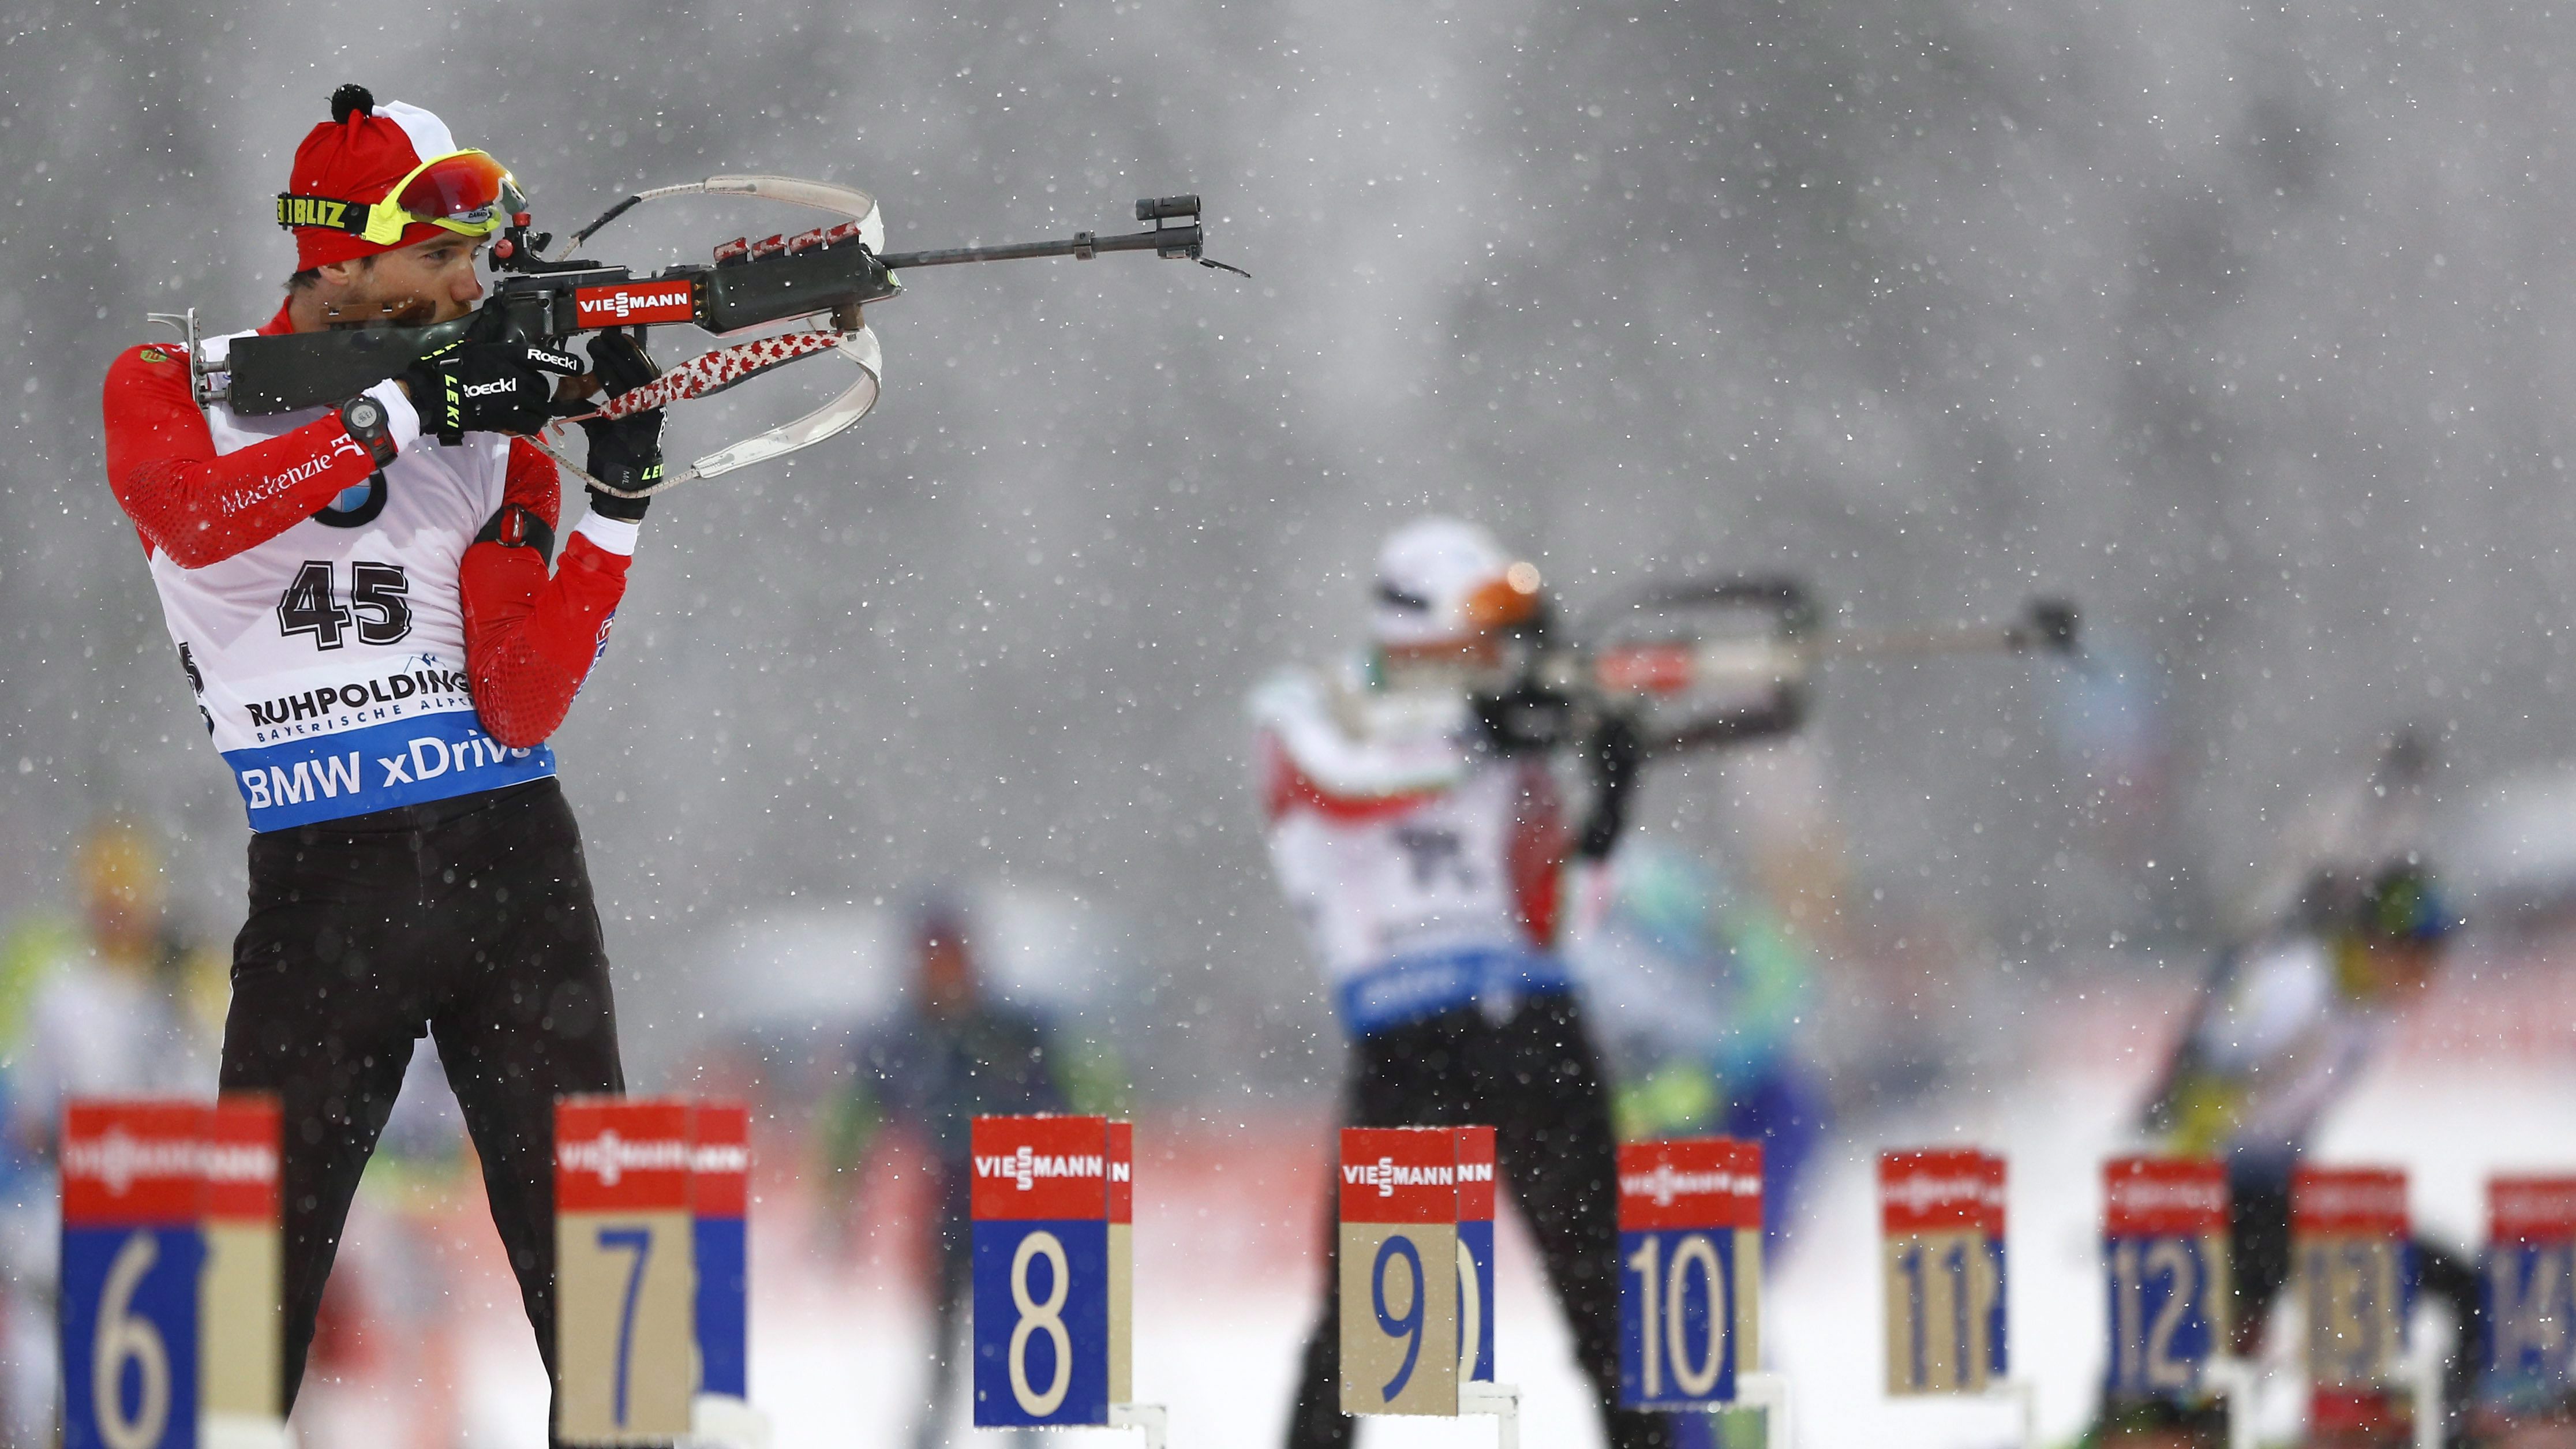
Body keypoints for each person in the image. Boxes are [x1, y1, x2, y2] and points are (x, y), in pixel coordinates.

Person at [96, 84, 669, 1416]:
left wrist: (617, 503)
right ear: (338, 249)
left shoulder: (499, 439)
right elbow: (194, 517)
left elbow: (521, 700)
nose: (467, 281)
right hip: (323, 882)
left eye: (478, 253)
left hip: (512, 870)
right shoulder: (171, 383)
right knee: (234, 1335)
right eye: (439, 252)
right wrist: (404, 407)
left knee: (623, 1321)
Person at [1252, 517, 1800, 1449]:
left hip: (1534, 1026)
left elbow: (1555, 916)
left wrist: (1603, 804)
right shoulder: (1312, 707)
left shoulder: (1510, 729)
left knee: (1612, 1309)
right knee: (1378, 1332)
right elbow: (1338, 782)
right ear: (1415, 624)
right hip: (1411, 1042)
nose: (1498, 647)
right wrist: (1481, 733)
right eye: (1479, 625)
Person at [2114, 859, 2473, 1447]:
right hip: (2211, 1193)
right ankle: (2169, 1421)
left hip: (2280, 1193)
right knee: (2228, 1328)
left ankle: (2448, 1425)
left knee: (2458, 1284)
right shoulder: (2297, 985)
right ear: (2380, 942)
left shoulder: (2371, 1007)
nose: (2427, 978)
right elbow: (2192, 1082)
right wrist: (2202, 1092)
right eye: (2420, 959)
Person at [818, 895, 1096, 1449]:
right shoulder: (902, 1039)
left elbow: (1087, 1091)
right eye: (932, 962)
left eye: (952, 960)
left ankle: (1026, 1435)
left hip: (1022, 1197)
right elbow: (851, 1120)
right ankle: (931, 1430)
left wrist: (1091, 1169)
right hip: (950, 1201)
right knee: (943, 1338)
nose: (943, 975)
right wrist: (837, 1198)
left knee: (1024, 1334)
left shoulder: (1018, 1029)